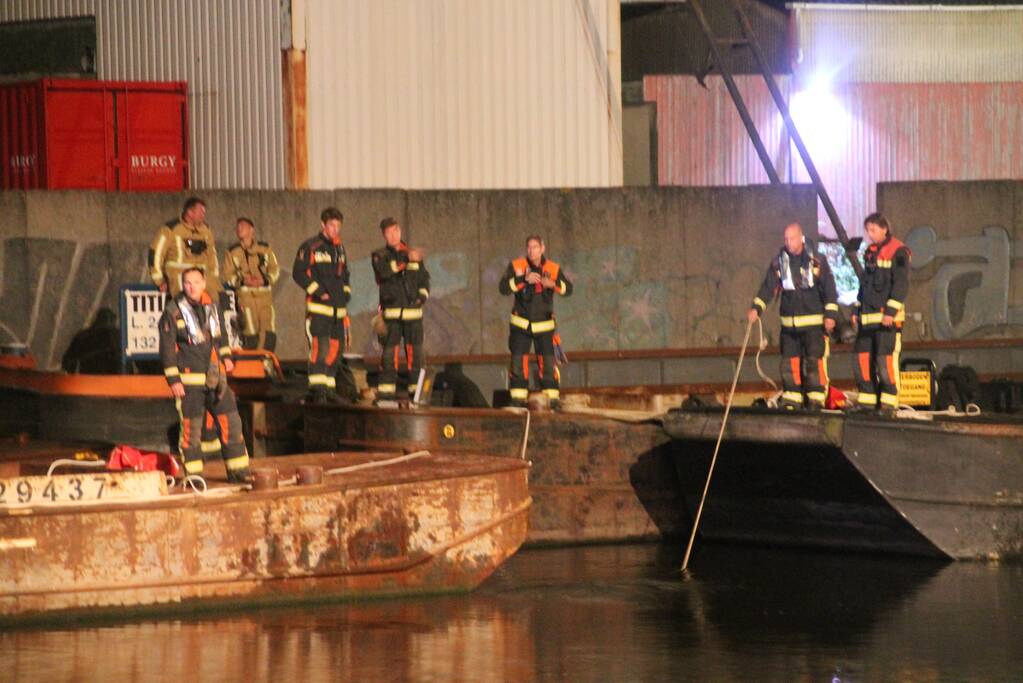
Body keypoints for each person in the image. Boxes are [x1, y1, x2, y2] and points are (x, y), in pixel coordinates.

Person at [158, 267, 250, 482]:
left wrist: (226, 357)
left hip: (216, 378)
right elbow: (167, 350)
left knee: (232, 422)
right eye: (188, 283)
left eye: (196, 282)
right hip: (190, 382)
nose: (192, 287)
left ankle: (239, 472)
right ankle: (194, 476)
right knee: (192, 430)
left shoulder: (212, 306)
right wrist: (173, 381)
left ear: (204, 283)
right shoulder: (172, 312)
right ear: (183, 285)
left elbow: (222, 338)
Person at [748, 222, 839, 410]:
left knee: (814, 362)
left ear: (801, 237)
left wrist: (830, 315)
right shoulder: (779, 262)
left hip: (813, 326)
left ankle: (816, 400)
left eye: (792, 238)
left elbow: (829, 288)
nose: (789, 243)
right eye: (786, 239)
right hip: (789, 328)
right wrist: (757, 308)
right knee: (790, 364)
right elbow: (768, 287)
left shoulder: (816, 260)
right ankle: (792, 399)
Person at [499, 235, 573, 408]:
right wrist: (522, 279)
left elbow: (568, 289)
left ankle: (551, 400)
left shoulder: (553, 268)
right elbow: (503, 288)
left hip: (545, 326)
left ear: (542, 248)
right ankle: (518, 400)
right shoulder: (517, 266)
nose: (531, 251)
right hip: (521, 325)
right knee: (518, 364)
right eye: (529, 247)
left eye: (535, 247)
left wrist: (551, 284)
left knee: (548, 364)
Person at [850, 212, 911, 414]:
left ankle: (888, 403)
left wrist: (891, 312)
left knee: (885, 363)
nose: (870, 234)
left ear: (884, 228)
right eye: (868, 230)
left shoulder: (899, 251)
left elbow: (901, 284)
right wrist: (857, 310)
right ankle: (867, 401)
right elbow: (865, 284)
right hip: (867, 319)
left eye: (873, 230)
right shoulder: (870, 252)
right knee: (862, 359)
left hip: (887, 320)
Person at [292, 207, 352, 404]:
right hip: (319, 310)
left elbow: (345, 275)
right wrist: (319, 292)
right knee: (321, 348)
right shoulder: (311, 246)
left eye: (338, 226)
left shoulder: (339, 248)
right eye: (332, 225)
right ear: (323, 225)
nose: (335, 230)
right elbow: (298, 273)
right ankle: (318, 391)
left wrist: (345, 294)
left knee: (337, 350)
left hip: (338, 311)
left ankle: (329, 388)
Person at [371, 217, 431, 405]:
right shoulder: (379, 255)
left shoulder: (412, 254)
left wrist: (422, 297)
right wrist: (407, 258)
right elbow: (385, 272)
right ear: (384, 235)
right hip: (391, 315)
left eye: (395, 230)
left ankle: (416, 394)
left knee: (416, 356)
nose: (393, 235)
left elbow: (424, 279)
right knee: (389, 356)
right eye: (389, 232)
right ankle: (387, 394)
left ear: (400, 230)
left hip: (414, 315)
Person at [222, 217, 281, 351]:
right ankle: (253, 362)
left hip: (265, 298)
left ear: (252, 230)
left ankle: (265, 362)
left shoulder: (265, 249)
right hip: (245, 298)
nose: (239, 229)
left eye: (242, 226)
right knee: (250, 331)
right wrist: (242, 281)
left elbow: (275, 269)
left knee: (268, 331)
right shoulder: (232, 252)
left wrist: (264, 280)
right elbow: (226, 275)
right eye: (237, 227)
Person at [149, 196, 222, 297]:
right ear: (190, 212)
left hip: (203, 276)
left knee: (218, 300)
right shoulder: (170, 229)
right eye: (200, 212)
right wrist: (159, 281)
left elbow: (212, 255)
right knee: (185, 306)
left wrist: (214, 276)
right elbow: (155, 254)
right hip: (179, 277)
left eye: (204, 212)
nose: (203, 215)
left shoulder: (206, 230)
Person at [61, 307, 122, 374]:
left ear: (96, 320)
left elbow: (67, 362)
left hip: (89, 379)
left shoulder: (83, 336)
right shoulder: (122, 337)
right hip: (120, 380)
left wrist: (73, 375)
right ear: (114, 320)